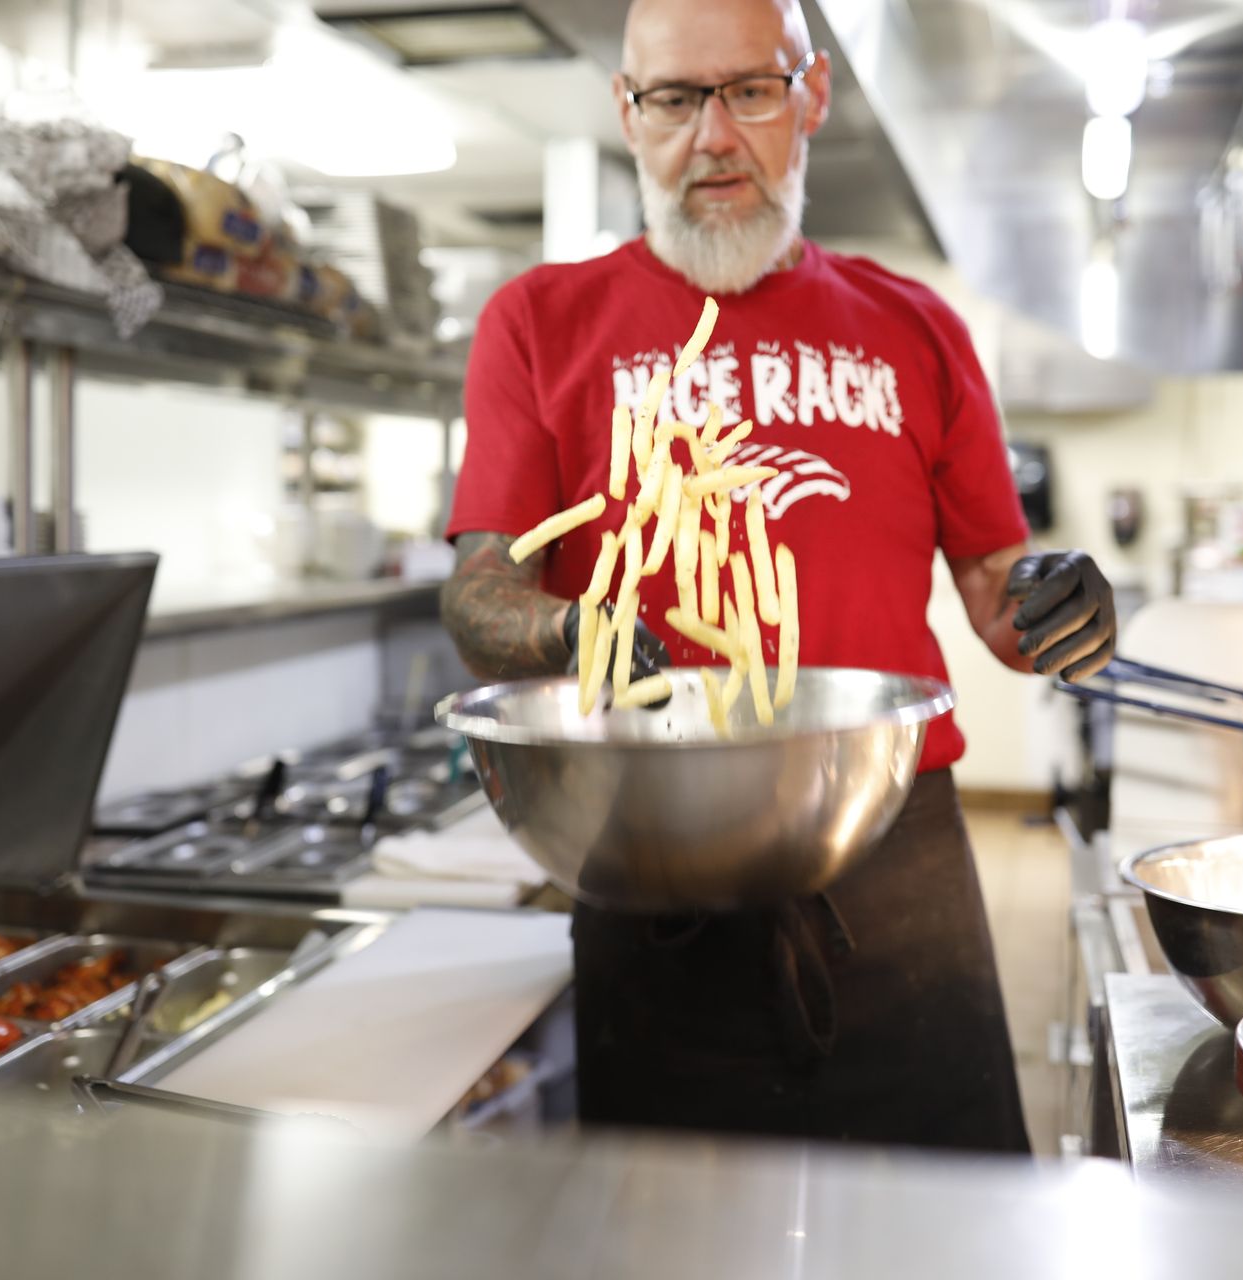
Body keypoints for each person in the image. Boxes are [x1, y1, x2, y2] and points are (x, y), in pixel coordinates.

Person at [440, 0, 1116, 1153]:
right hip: (652, 858)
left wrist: (1063, 602)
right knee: (674, 1235)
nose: (713, 137)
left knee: (944, 1222)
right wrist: (571, 630)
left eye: (750, 90)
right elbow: (479, 593)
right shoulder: (540, 324)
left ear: (810, 99)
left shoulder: (917, 327)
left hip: (897, 863)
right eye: (674, 98)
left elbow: (1001, 594)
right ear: (628, 112)